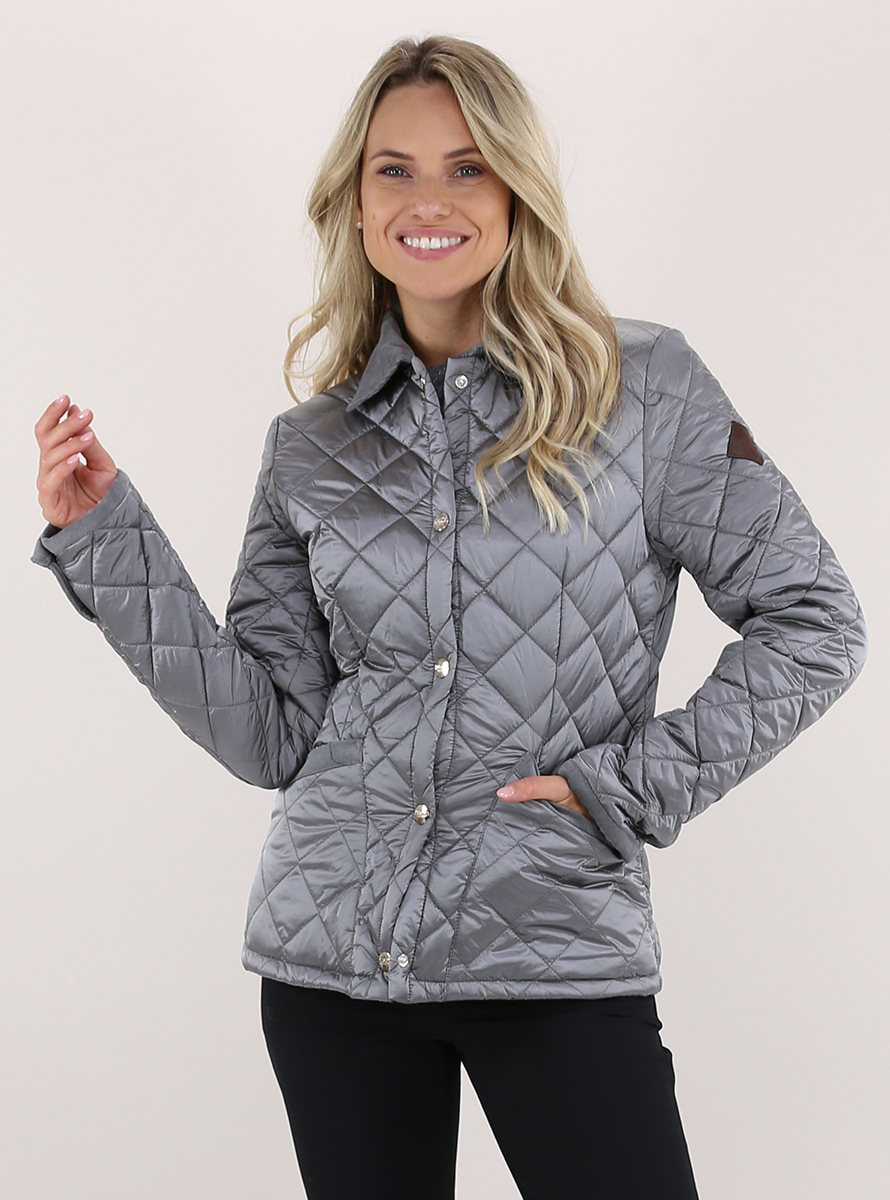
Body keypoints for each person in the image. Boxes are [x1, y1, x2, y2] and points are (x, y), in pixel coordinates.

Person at [32, 33, 867, 1200]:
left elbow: (815, 621)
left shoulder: (646, 390)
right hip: (332, 971)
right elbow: (270, 736)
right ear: (354, 201)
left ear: (516, 189)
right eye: (395, 169)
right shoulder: (309, 447)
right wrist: (105, 538)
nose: (429, 200)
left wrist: (627, 788)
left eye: (466, 167)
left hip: (554, 948)